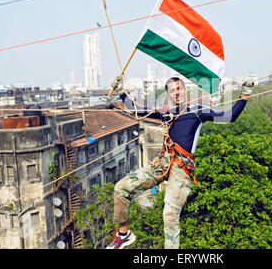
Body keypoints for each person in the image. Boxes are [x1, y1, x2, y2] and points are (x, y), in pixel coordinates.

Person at [106, 76, 255, 249]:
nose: (176, 93)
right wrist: (122, 92)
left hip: (181, 169)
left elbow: (229, 116)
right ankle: (124, 234)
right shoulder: (165, 112)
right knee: (121, 188)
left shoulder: (198, 112)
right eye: (172, 91)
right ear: (168, 95)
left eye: (179, 89)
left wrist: (244, 95)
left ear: (185, 90)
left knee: (169, 214)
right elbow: (138, 110)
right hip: (162, 163)